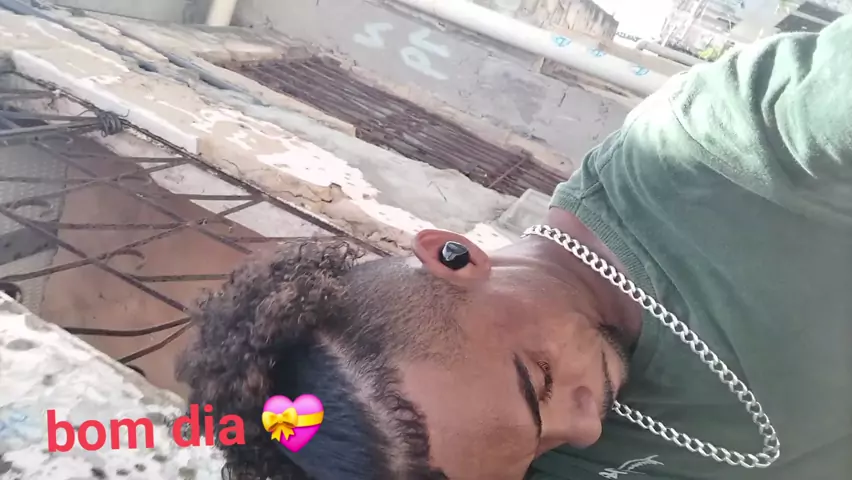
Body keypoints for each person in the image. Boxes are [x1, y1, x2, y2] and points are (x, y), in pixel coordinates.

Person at [176, 14, 852, 480]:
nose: (585, 431)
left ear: (455, 256)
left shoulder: (718, 154)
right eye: (535, 456)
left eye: (540, 380)